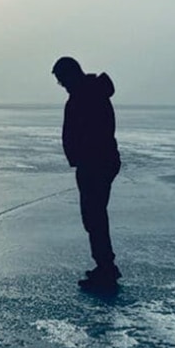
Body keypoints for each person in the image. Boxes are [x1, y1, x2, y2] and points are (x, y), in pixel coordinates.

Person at [51, 56, 122, 289]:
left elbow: (96, 132)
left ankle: (106, 269)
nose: (62, 85)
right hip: (94, 163)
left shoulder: (88, 96)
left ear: (72, 74)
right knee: (94, 216)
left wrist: (86, 157)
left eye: (62, 80)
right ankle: (105, 266)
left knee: (94, 216)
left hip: (96, 164)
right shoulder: (88, 94)